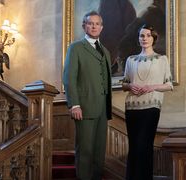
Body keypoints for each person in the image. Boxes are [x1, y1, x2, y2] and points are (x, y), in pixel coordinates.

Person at [62, 11, 112, 180]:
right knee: (85, 151)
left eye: (97, 24)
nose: (94, 26)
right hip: (84, 107)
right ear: (84, 26)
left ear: (102, 27)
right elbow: (69, 78)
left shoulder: (105, 50)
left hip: (103, 110)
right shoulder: (75, 47)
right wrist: (74, 104)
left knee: (99, 153)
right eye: (90, 23)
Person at [122, 24, 173, 180]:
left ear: (153, 38)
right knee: (134, 147)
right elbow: (124, 84)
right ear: (138, 39)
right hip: (132, 108)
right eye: (141, 36)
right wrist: (130, 85)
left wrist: (152, 87)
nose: (144, 38)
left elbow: (169, 85)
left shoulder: (162, 59)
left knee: (145, 145)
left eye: (148, 35)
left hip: (151, 107)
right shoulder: (130, 60)